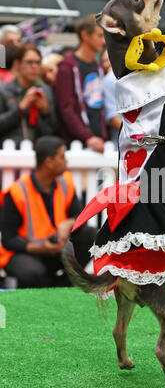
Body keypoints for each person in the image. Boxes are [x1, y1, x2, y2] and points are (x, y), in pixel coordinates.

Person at [0, 136, 97, 288]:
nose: (66, 161)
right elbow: (8, 239)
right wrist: (40, 248)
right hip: (26, 252)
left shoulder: (65, 182)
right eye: (62, 156)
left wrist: (68, 223)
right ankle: (49, 286)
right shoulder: (16, 192)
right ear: (49, 162)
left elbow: (80, 216)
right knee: (33, 273)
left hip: (55, 249)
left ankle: (64, 285)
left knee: (91, 234)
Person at [55, 15, 108, 153]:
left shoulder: (98, 67)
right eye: (100, 35)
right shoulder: (66, 66)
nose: (104, 41)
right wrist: (88, 137)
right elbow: (66, 108)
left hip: (101, 142)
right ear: (85, 35)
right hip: (77, 146)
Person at [0, 43, 58, 147]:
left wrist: (45, 111)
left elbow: (54, 130)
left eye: (37, 62)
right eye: (29, 62)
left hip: (38, 153)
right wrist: (20, 109)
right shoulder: (4, 90)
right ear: (17, 64)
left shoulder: (46, 91)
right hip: (9, 151)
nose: (34, 67)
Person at [102, 51, 122, 151]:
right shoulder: (109, 79)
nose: (107, 64)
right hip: (122, 143)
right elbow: (113, 118)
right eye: (104, 61)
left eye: (108, 60)